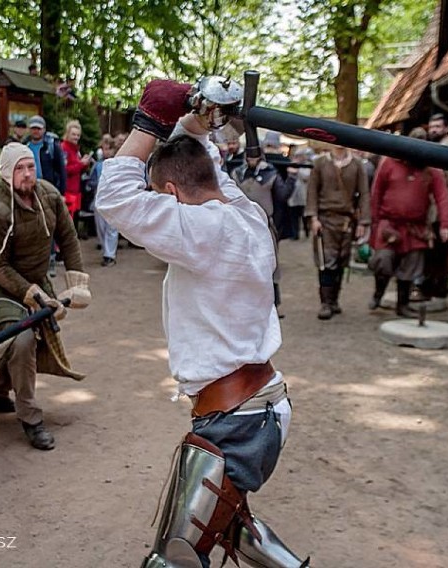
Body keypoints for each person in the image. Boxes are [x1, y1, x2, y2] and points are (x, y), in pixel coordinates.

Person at [96, 78, 309, 568]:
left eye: (162, 197)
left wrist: (149, 122)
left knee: (170, 560)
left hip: (235, 422)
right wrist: (197, 127)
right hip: (259, 408)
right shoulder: (247, 215)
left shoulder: (202, 227)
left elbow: (115, 198)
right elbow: (212, 175)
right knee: (236, 529)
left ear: (170, 191)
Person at [0, 142, 91, 450]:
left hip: (34, 282)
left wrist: (77, 282)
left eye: (30, 167)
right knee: (21, 338)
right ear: (6, 173)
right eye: (19, 169)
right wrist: (31, 293)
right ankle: (31, 418)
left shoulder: (48, 195)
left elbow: (68, 237)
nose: (26, 175)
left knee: (32, 338)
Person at [367, 127, 448, 317]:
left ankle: (403, 305)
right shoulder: (389, 163)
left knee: (411, 266)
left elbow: (442, 196)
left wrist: (446, 224)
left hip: (416, 227)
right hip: (389, 223)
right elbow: (376, 194)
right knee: (383, 260)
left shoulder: (431, 169)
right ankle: (378, 292)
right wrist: (372, 223)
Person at [305, 143, 370, 320]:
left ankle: (334, 300)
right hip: (325, 219)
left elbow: (364, 193)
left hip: (347, 220)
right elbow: (312, 190)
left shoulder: (357, 165)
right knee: (326, 261)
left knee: (342, 260)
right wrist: (313, 217)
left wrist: (363, 222)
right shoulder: (320, 163)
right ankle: (325, 303)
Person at [230, 143, 288, 317]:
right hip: (241, 225)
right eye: (249, 156)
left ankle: (273, 305)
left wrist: (291, 178)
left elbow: (282, 197)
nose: (252, 159)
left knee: (269, 264)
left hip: (264, 225)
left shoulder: (271, 174)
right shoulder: (236, 174)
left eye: (255, 156)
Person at [418, 113, 448, 301]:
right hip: (435, 207)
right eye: (431, 127)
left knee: (439, 251)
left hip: (442, 208)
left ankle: (437, 290)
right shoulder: (435, 147)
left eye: (437, 126)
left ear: (446, 128)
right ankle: (432, 287)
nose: (434, 130)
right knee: (433, 251)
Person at [25, 115, 67, 275]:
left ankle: (50, 261)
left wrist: (61, 192)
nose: (36, 131)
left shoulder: (51, 146)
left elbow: (61, 170)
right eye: (33, 128)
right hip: (29, 189)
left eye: (38, 128)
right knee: (32, 225)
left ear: (43, 129)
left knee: (48, 224)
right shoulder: (25, 146)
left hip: (48, 190)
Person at [90, 138, 119, 266]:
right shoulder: (98, 165)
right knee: (100, 226)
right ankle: (105, 249)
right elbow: (91, 180)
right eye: (104, 149)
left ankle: (110, 255)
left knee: (112, 226)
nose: (106, 151)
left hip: (113, 197)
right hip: (99, 196)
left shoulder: (117, 164)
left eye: (109, 149)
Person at [59, 119, 92, 229]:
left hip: (76, 191)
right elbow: (64, 170)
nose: (76, 137)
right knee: (66, 223)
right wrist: (81, 164)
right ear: (67, 134)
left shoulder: (76, 150)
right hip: (67, 191)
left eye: (78, 135)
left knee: (73, 222)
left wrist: (85, 164)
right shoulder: (63, 148)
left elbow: (78, 169)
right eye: (73, 134)